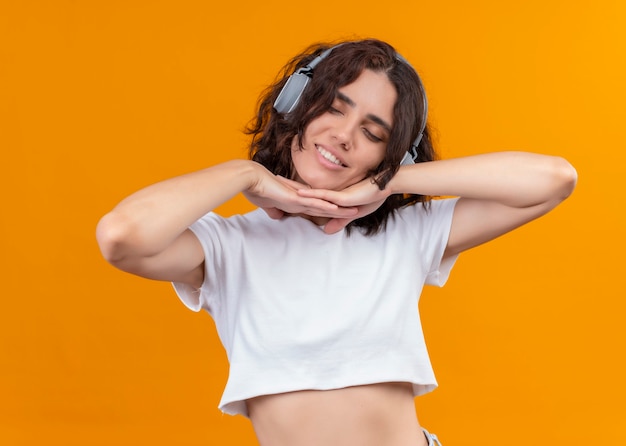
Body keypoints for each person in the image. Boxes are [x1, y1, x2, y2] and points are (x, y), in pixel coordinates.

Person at [96, 38, 577, 446]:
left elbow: (553, 178)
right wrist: (246, 174)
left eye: (373, 133)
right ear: (294, 104)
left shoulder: (409, 232)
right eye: (332, 108)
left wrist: (391, 181)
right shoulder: (229, 245)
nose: (345, 136)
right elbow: (123, 235)